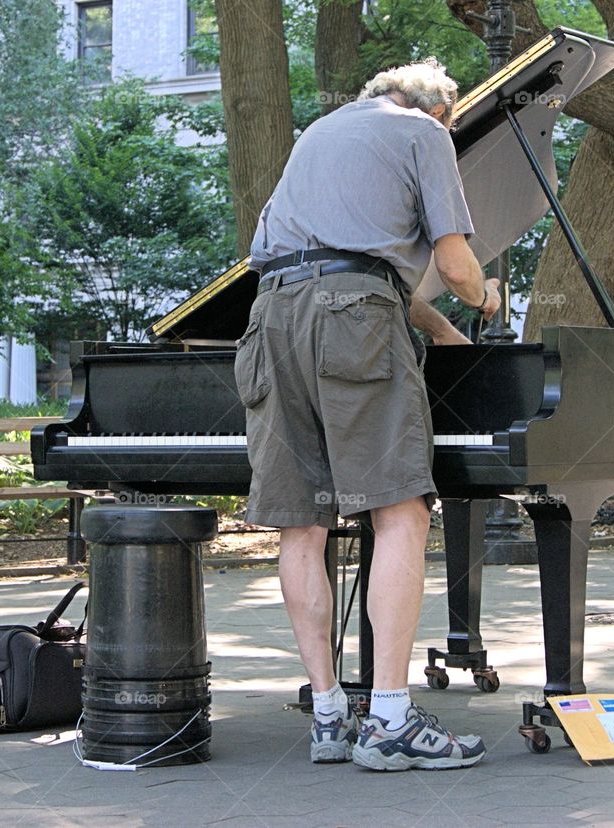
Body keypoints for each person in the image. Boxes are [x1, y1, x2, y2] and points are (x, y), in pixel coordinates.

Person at [236, 58, 501, 772]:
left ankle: (328, 715)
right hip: (352, 318)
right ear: (442, 111)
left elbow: (343, 259)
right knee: (401, 511)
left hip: (269, 317)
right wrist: (483, 302)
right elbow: (452, 265)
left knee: (302, 520)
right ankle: (389, 720)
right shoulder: (424, 132)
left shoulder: (321, 131)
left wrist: (436, 331)